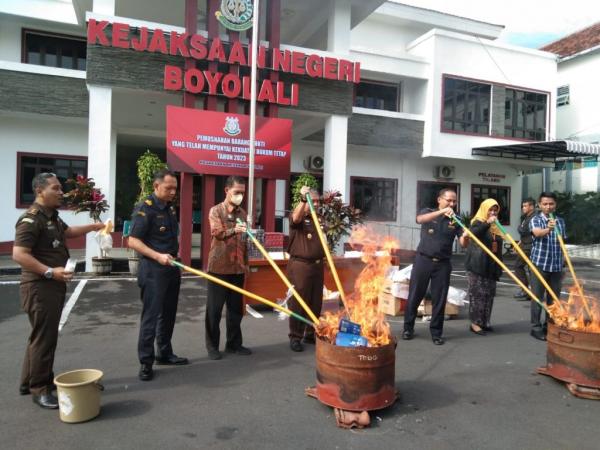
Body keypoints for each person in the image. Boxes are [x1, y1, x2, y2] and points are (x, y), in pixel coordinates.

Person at [13, 172, 105, 409]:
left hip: (50, 286)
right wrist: (49, 272)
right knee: (45, 338)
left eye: (60, 188)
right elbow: (19, 254)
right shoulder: (31, 220)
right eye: (55, 188)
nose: (60, 192)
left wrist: (94, 226)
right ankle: (40, 388)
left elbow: (68, 232)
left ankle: (28, 381)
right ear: (39, 191)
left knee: (40, 335)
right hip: (39, 286)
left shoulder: (51, 216)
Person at [129, 169, 189, 382]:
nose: (173, 192)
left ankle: (164, 353)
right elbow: (133, 241)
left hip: (171, 266)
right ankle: (146, 362)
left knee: (168, 313)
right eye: (168, 188)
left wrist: (175, 259)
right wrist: (158, 256)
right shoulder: (145, 209)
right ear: (156, 186)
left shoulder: (169, 207)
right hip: (153, 269)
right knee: (151, 317)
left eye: (175, 188)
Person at [402, 188, 464, 345]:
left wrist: (466, 236)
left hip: (443, 263)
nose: (452, 204)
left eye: (454, 201)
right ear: (439, 200)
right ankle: (408, 328)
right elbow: (420, 219)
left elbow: (463, 243)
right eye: (449, 200)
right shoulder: (429, 212)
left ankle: (436, 333)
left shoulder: (456, 219)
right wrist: (442, 212)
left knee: (439, 299)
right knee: (415, 295)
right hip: (423, 260)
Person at [205, 175, 251, 360]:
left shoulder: (242, 213)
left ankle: (234, 344)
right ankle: (212, 347)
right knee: (214, 311)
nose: (240, 196)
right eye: (237, 192)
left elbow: (245, 241)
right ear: (227, 191)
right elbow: (217, 233)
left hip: (237, 268)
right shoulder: (216, 211)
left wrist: (246, 265)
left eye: (242, 193)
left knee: (235, 310)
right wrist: (235, 230)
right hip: (218, 268)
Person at [287, 186, 325, 352]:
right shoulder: (299, 217)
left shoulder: (320, 219)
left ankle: (311, 333)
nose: (315, 204)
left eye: (317, 201)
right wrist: (304, 199)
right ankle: (295, 336)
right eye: (313, 201)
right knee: (299, 302)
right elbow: (295, 218)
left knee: (315, 302)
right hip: (301, 266)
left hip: (317, 265)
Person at [462, 199, 503, 336]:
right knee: (478, 294)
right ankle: (475, 323)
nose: (492, 213)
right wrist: (487, 223)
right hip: (477, 263)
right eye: (490, 210)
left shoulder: (496, 226)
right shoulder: (478, 222)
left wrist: (499, 266)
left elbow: (498, 247)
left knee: (489, 294)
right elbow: (475, 234)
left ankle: (485, 322)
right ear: (484, 209)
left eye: (495, 210)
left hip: (491, 265)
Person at [528, 191, 566, 341]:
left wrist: (564, 261)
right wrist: (549, 229)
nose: (548, 207)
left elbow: (562, 242)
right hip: (539, 264)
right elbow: (537, 233)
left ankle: (549, 325)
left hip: (556, 266)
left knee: (554, 299)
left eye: (551, 204)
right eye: (545, 204)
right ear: (539, 205)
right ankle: (535, 327)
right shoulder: (536, 219)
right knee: (537, 297)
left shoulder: (561, 221)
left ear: (555, 205)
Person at [513, 198, 536, 300]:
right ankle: (529, 291)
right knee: (529, 269)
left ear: (531, 206)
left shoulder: (534, 217)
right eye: (523, 206)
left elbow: (525, 231)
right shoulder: (526, 217)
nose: (523, 208)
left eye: (525, 206)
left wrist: (519, 228)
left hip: (530, 246)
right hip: (525, 244)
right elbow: (524, 233)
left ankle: (526, 291)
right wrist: (519, 243)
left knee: (519, 266)